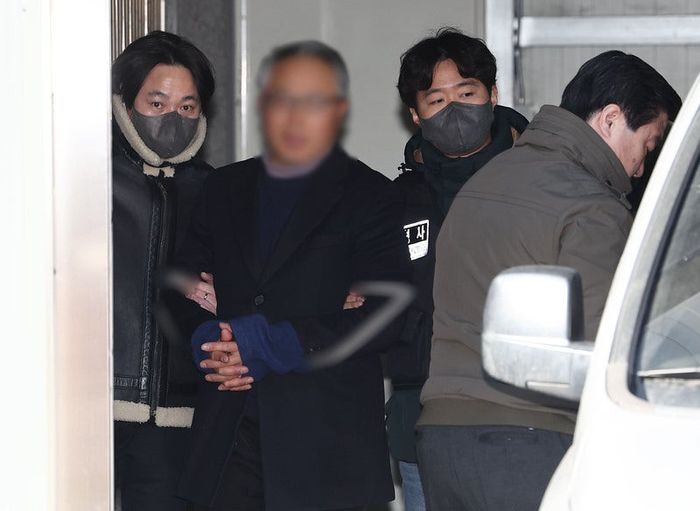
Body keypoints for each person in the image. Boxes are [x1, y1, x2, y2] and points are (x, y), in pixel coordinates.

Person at [417, 50, 681, 511]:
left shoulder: (485, 181)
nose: (641, 168)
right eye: (648, 144)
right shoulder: (591, 206)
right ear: (611, 119)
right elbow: (605, 350)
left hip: (442, 439)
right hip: (526, 441)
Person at [175, 41, 410, 511]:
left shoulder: (373, 195)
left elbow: (387, 316)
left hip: (327, 447)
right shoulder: (223, 187)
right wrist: (210, 343)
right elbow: (178, 286)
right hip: (228, 437)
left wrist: (266, 342)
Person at [379, 28, 529, 511]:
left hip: (524, 420)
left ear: (493, 95)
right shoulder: (394, 203)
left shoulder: (540, 185)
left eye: (467, 94)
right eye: (437, 100)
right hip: (423, 423)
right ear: (415, 114)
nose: (454, 110)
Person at [111, 30, 216, 510]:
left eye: (187, 106)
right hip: (88, 403)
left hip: (177, 413)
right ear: (125, 103)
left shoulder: (217, 192)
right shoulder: (83, 178)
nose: (173, 118)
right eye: (157, 103)